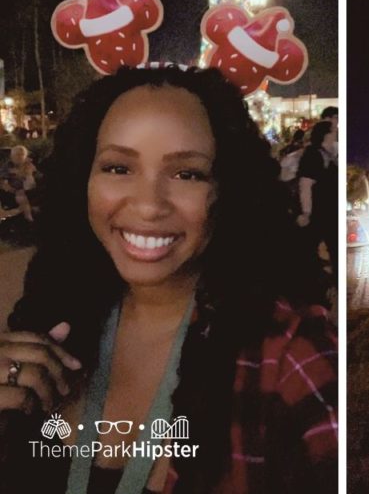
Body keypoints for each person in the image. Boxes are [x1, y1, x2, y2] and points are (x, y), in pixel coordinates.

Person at [0, 67, 336, 492]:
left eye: (187, 173)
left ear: (225, 190)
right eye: (118, 168)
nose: (148, 206)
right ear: (81, 180)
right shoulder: (55, 316)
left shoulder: (285, 356)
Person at [297, 121, 338, 285]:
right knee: (309, 248)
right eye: (334, 131)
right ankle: (309, 284)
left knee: (334, 247)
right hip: (318, 211)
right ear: (326, 134)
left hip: (330, 211)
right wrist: (306, 212)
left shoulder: (332, 154)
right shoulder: (313, 154)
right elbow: (305, 184)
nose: (336, 133)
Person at [0, 145, 39, 222]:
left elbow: (37, 175)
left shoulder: (29, 164)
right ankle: (27, 214)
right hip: (15, 189)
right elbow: (2, 178)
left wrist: (28, 173)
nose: (20, 157)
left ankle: (26, 214)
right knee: (21, 196)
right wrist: (7, 186)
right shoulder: (8, 166)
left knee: (23, 192)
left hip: (28, 187)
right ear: (12, 156)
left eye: (22, 154)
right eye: (17, 154)